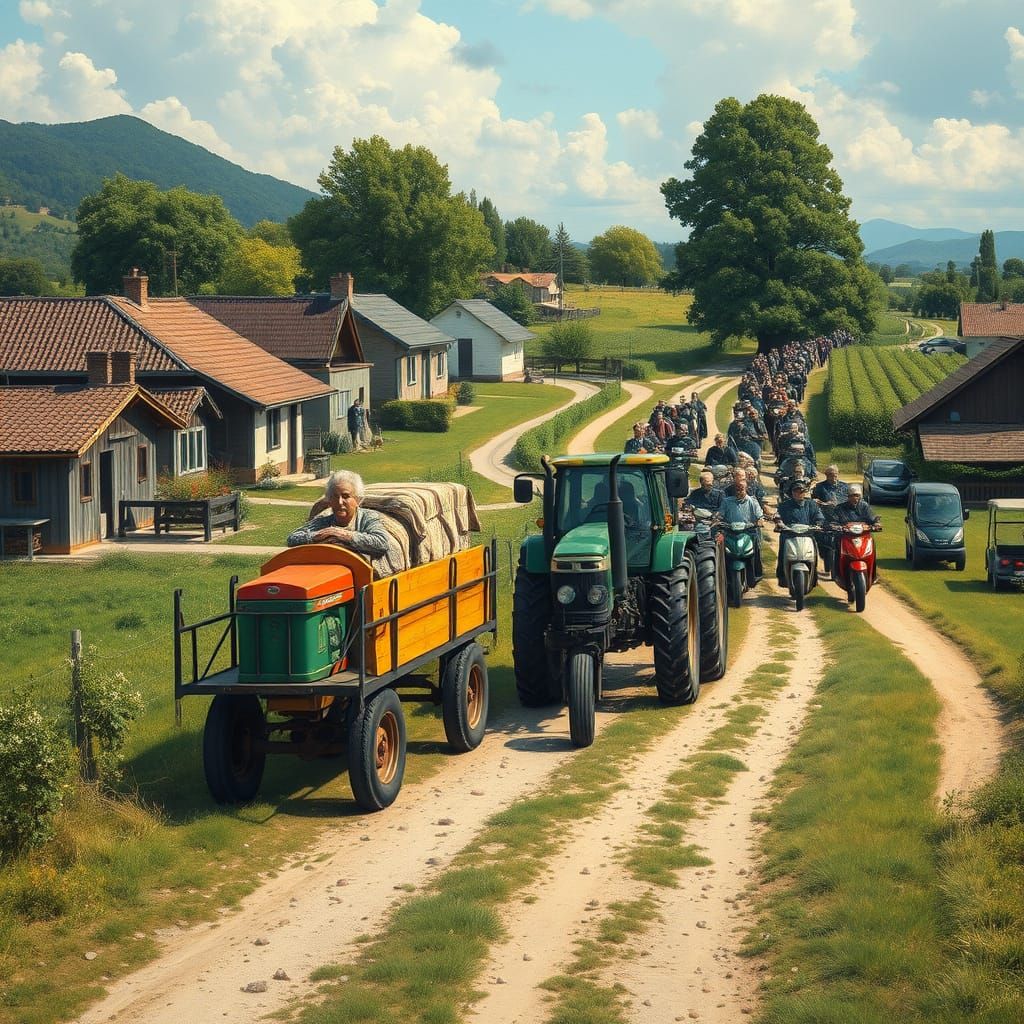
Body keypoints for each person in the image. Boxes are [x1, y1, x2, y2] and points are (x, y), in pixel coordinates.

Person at [288, 470, 390, 561]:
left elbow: (382, 542)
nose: (340, 502)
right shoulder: (324, 521)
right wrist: (315, 536)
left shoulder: (368, 517)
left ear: (358, 500)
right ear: (329, 500)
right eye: (335, 496)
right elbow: (292, 538)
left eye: (346, 496)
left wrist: (344, 535)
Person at [775, 480, 825, 584]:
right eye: (796, 491)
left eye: (801, 491)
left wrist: (819, 524)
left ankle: (813, 578)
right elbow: (777, 515)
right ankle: (783, 578)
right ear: (791, 492)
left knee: (814, 554)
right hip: (789, 535)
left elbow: (819, 516)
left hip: (808, 535)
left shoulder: (812, 504)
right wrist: (779, 523)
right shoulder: (784, 505)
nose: (799, 493)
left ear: (805, 492)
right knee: (782, 552)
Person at [719, 475, 764, 582]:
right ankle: (723, 576)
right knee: (722, 551)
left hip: (748, 532)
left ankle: (755, 574)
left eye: (742, 489)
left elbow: (759, 515)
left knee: (755, 548)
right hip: (730, 532)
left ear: (746, 489)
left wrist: (759, 521)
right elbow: (720, 514)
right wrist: (717, 519)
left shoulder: (752, 501)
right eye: (737, 489)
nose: (739, 491)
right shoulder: (727, 501)